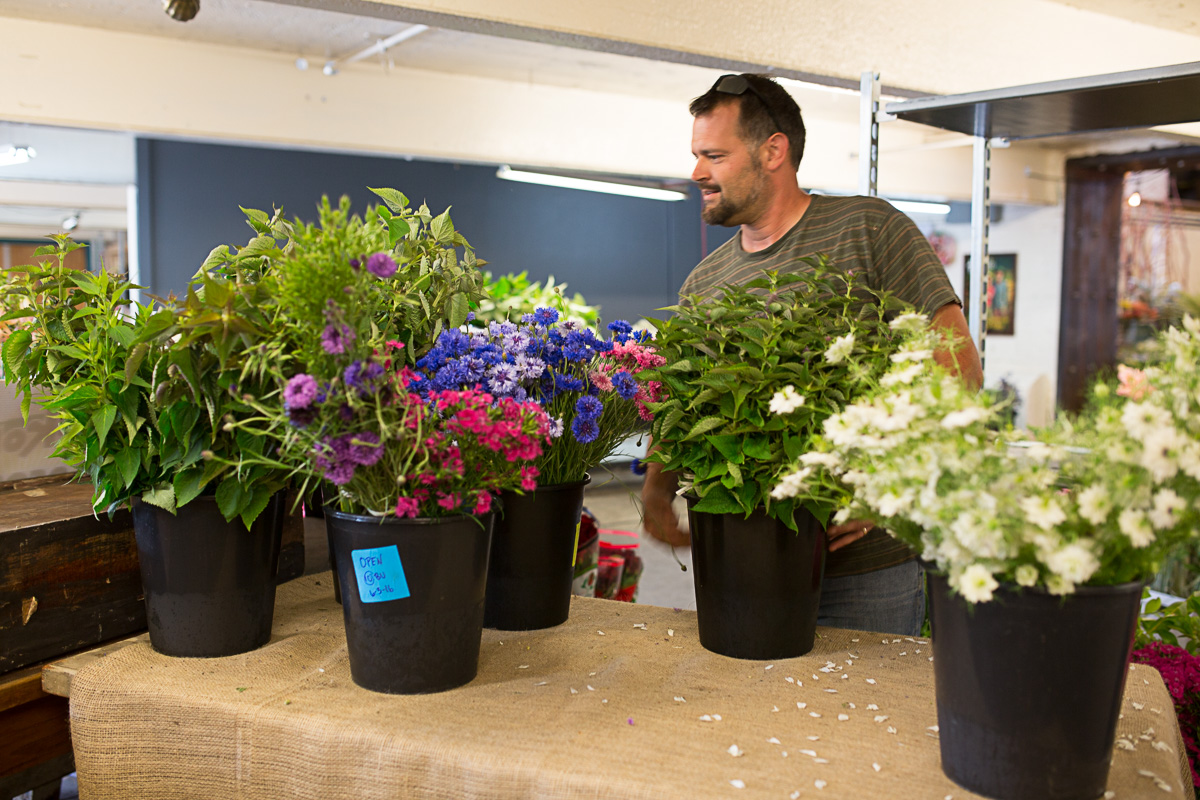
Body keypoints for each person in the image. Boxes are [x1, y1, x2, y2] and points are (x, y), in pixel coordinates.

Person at [641, 73, 983, 636]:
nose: (697, 172)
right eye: (697, 155)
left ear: (773, 151)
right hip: (743, 559)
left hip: (863, 569)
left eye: (715, 155)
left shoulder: (868, 231)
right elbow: (685, 401)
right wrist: (657, 487)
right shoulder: (706, 282)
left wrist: (887, 486)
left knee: (862, 719)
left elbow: (957, 368)